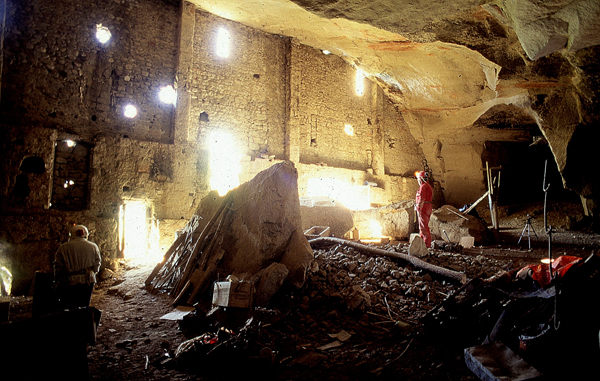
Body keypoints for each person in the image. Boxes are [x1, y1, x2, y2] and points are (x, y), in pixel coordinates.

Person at [54, 224, 101, 309]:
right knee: (85, 304)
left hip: (71, 280)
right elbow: (97, 262)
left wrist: (57, 280)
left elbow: (58, 266)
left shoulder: (63, 247)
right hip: (88, 279)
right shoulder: (93, 246)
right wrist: (92, 273)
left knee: (72, 306)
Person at [415, 171, 433, 247]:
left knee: (423, 226)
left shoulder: (423, 187)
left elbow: (421, 198)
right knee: (423, 225)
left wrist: (418, 208)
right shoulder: (429, 186)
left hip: (424, 207)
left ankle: (426, 244)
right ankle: (422, 241)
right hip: (428, 206)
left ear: (421, 179)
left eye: (418, 179)